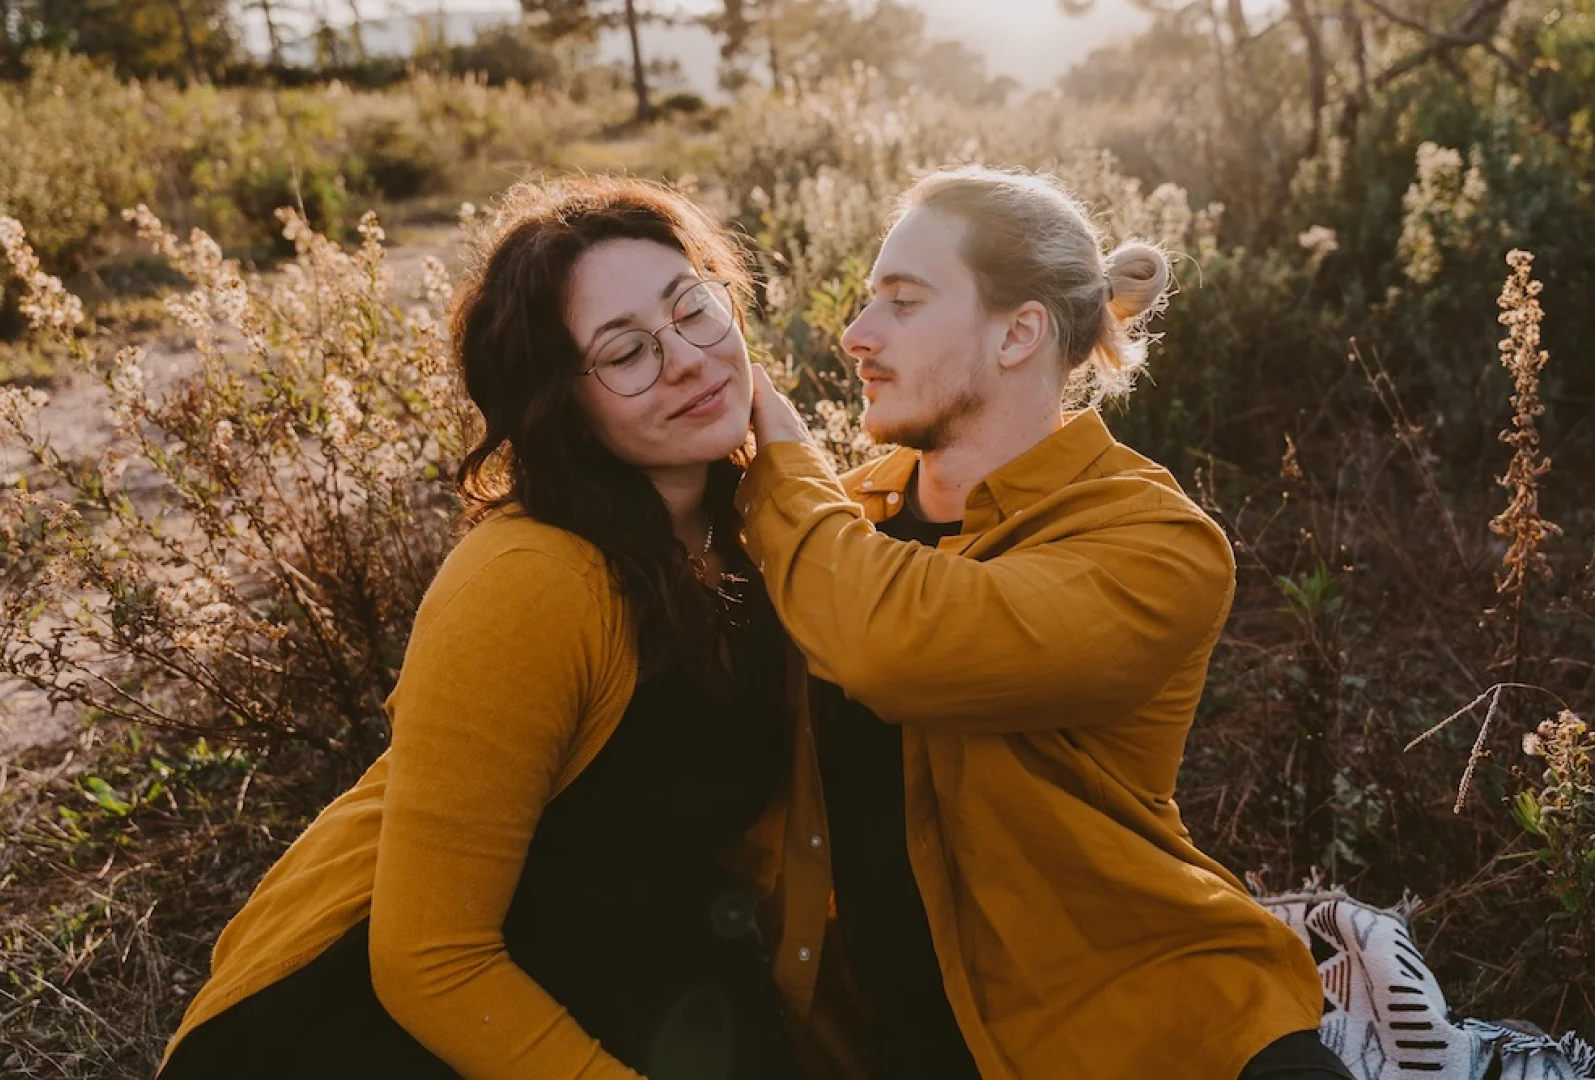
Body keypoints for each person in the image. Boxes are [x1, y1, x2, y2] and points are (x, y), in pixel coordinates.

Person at [158, 176, 814, 1080]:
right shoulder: (531, 580)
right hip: (376, 1029)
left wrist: (794, 464)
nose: (689, 361)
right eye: (625, 353)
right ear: (560, 406)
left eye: (693, 308)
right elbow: (427, 960)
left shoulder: (749, 526)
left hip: (616, 967)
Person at [739, 166, 1351, 1079]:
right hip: (891, 1045)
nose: (856, 334)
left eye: (902, 302)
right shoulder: (841, 520)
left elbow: (898, 646)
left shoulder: (1157, 542)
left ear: (1019, 332)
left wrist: (781, 468)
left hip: (1143, 1033)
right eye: (868, 301)